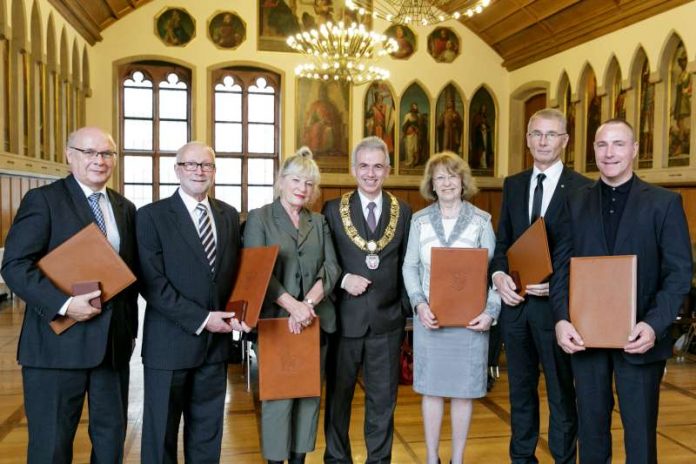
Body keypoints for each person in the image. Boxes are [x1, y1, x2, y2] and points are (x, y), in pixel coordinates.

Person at [550, 119, 693, 464]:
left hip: (640, 336)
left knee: (641, 436)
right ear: (593, 151)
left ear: (634, 151)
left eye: (618, 144)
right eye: (601, 145)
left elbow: (678, 274)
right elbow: (561, 268)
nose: (609, 152)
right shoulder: (573, 201)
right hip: (586, 337)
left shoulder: (664, 202)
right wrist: (561, 320)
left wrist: (654, 325)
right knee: (592, 434)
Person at [1, 127, 139, 463]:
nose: (99, 160)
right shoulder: (43, 200)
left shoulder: (125, 207)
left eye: (107, 154)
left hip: (112, 348)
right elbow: (15, 266)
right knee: (51, 447)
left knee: (110, 443)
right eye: (90, 152)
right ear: (69, 155)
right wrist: (63, 304)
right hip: (56, 348)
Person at [137, 141, 247, 463]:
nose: (199, 171)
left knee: (207, 436)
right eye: (191, 164)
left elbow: (236, 275)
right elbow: (153, 285)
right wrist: (202, 319)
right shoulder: (151, 216)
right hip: (169, 346)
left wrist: (240, 313)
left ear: (214, 171)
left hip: (215, 347)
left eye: (206, 165)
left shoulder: (227, 215)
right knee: (161, 438)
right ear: (177, 170)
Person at [490, 108, 589, 464]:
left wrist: (562, 288)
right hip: (515, 310)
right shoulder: (514, 184)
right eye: (536, 134)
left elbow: (586, 252)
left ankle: (563, 460)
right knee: (520, 393)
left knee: (562, 395)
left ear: (564, 140)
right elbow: (502, 244)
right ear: (527, 139)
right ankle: (522, 459)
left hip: (557, 311)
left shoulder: (582, 188)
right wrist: (499, 277)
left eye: (551, 134)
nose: (543, 141)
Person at [244, 147, 341, 464]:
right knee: (279, 398)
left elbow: (331, 269)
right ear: (281, 181)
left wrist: (308, 304)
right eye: (297, 180)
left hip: (316, 321)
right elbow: (259, 271)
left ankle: (299, 459)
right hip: (276, 323)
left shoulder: (320, 221)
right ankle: (275, 460)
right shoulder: (259, 218)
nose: (303, 188)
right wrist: (292, 306)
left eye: (310, 183)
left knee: (309, 395)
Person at [402, 152, 500, 464]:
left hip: (471, 322)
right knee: (431, 391)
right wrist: (418, 304)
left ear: (463, 181)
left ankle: (457, 459)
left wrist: (490, 313)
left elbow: (496, 273)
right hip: (431, 319)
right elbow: (409, 267)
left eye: (452, 176)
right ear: (431, 184)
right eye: (440, 177)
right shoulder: (419, 221)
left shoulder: (482, 221)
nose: (446, 182)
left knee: (462, 392)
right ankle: (432, 458)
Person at [323, 136, 412, 463]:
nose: (371, 173)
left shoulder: (403, 210)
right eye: (364, 166)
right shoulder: (333, 210)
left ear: (388, 170)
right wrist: (344, 280)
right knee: (338, 399)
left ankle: (379, 460)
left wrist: (403, 309)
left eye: (377, 166)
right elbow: (326, 261)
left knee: (382, 400)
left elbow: (407, 262)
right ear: (353, 169)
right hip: (345, 320)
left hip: (387, 323)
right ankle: (336, 459)